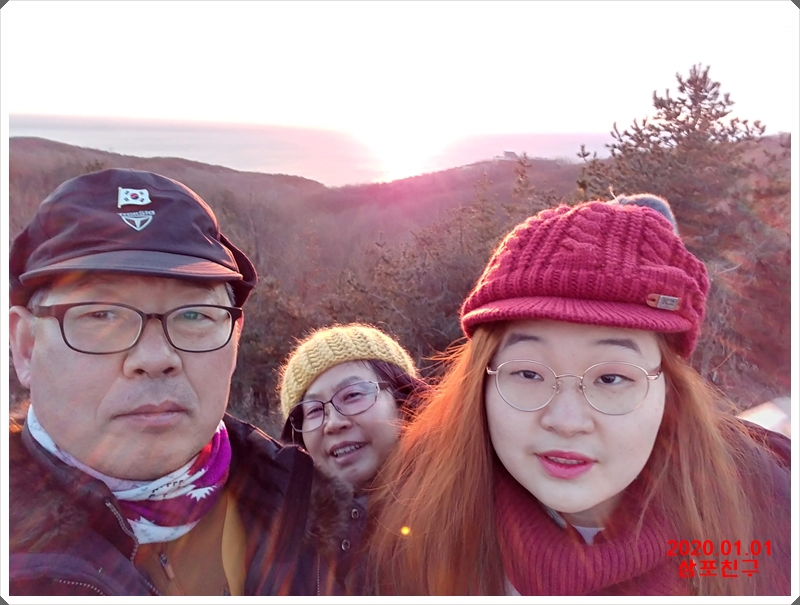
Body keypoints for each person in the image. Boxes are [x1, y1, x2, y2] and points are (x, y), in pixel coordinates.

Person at [364, 196, 791, 596]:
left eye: (611, 378)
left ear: (670, 389)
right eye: (528, 373)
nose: (566, 421)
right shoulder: (416, 524)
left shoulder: (770, 516)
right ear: (480, 383)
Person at [7, 168, 321, 596]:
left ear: (235, 339)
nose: (156, 359)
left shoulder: (327, 523)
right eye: (101, 314)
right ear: (26, 348)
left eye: (194, 314)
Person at [277, 323, 425, 594]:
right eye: (313, 411)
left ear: (403, 400)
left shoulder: (468, 504)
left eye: (353, 395)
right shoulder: (280, 544)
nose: (333, 423)